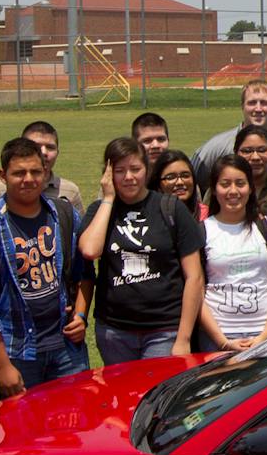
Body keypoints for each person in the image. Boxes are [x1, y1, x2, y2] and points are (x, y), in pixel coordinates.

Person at [0, 137, 93, 399]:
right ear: (3, 176)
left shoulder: (63, 214)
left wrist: (81, 315)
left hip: (66, 346)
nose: (28, 179)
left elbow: (84, 273)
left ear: (45, 172)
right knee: (23, 422)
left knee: (75, 416)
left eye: (35, 172)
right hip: (18, 351)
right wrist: (2, 366)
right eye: (19, 173)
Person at [78, 137, 205, 363]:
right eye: (120, 171)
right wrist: (108, 198)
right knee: (121, 387)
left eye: (135, 169)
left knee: (158, 386)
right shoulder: (100, 210)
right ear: (108, 173)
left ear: (147, 169)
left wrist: (184, 338)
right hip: (115, 331)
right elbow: (89, 250)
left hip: (164, 330)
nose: (128, 177)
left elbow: (194, 277)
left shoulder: (171, 208)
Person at [198, 154, 267, 351]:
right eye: (225, 184)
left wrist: (266, 334)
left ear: (251, 187)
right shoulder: (202, 231)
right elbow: (196, 291)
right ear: (214, 189)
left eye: (240, 183)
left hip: (265, 333)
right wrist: (222, 342)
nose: (233, 191)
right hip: (217, 337)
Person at [193, 79, 267, 176]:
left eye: (264, 103)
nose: (258, 109)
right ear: (242, 106)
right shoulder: (217, 147)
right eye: (252, 103)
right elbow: (189, 176)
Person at [0, 119, 82, 216]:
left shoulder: (70, 191)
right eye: (36, 146)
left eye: (50, 147)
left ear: (57, 152)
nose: (44, 152)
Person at [152, 148, 204, 219]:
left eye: (185, 176)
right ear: (158, 184)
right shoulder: (148, 217)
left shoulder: (207, 216)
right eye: (171, 177)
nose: (180, 182)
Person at [232, 124, 267, 195]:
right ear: (236, 153)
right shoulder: (224, 188)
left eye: (262, 150)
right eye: (247, 151)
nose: (255, 157)